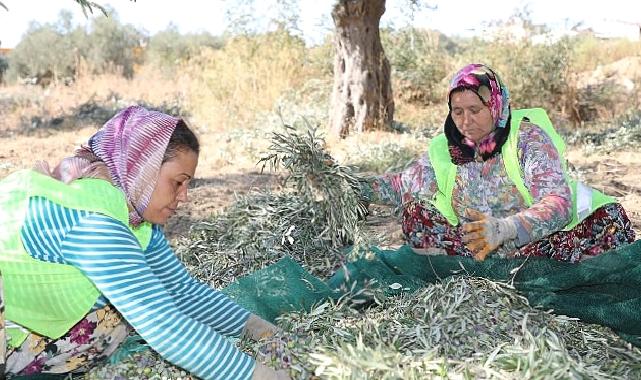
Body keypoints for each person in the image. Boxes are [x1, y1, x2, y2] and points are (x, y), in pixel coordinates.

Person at [0, 106, 290, 380]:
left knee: (117, 318)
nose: (184, 196)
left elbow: (182, 292)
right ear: (142, 168)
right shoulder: (94, 219)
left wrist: (260, 330)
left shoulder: (134, 220)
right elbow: (165, 325)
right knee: (127, 313)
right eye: (177, 182)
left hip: (21, 330)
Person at [361, 63, 635, 263]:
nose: (465, 122)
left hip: (550, 235)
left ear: (495, 105)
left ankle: (519, 270)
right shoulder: (448, 147)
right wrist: (352, 187)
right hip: (482, 244)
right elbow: (401, 185)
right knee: (417, 216)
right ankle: (489, 268)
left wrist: (507, 228)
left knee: (593, 234)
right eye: (457, 112)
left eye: (475, 110)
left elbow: (557, 203)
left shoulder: (527, 139)